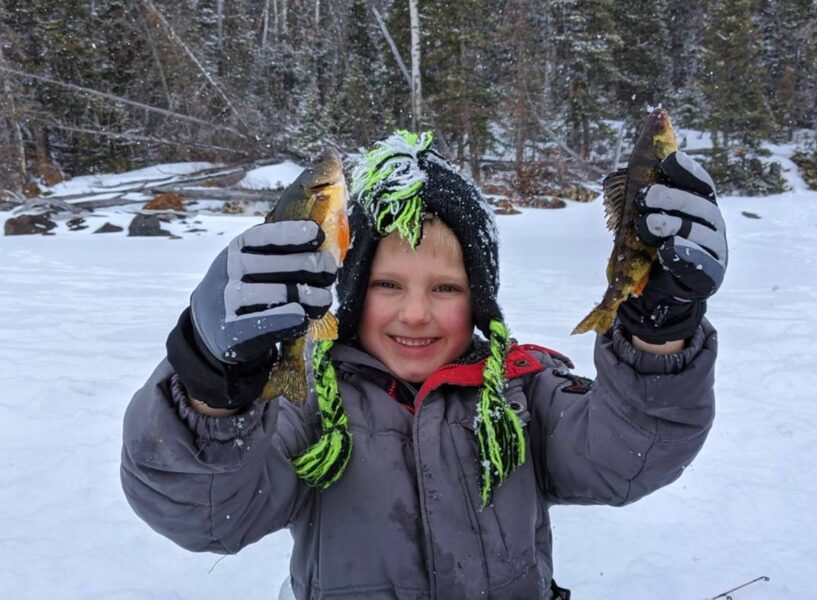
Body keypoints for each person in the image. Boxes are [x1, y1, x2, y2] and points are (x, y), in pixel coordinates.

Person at [121, 130, 727, 599]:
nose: (415, 314)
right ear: (351, 293)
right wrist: (211, 379)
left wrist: (660, 327)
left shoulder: (523, 393)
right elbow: (206, 514)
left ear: (480, 300)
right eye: (387, 284)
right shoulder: (304, 405)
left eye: (445, 288)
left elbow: (631, 453)